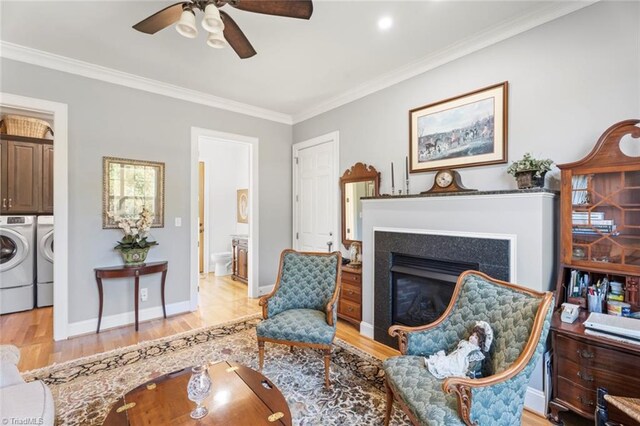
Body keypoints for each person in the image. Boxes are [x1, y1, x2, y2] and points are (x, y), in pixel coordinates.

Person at [425, 321, 493, 379]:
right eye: (472, 335)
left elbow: (474, 364)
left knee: (451, 367)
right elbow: (457, 350)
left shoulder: (476, 352)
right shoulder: (465, 343)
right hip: (454, 358)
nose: (472, 338)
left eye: (476, 337)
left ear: (480, 342)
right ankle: (436, 364)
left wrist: (469, 373)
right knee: (445, 361)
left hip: (460, 364)